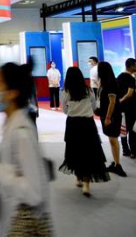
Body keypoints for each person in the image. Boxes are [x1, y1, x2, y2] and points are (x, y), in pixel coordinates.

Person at [0, 63, 53, 237]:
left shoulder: (21, 132)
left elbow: (33, 192)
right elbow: (17, 168)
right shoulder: (11, 124)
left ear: (13, 92)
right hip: (8, 217)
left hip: (20, 224)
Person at [59, 67, 110, 197]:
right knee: (89, 153)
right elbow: (94, 106)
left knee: (74, 151)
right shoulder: (88, 90)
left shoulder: (66, 91)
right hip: (88, 124)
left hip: (73, 124)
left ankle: (78, 178)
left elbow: (64, 109)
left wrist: (73, 111)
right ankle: (86, 185)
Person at [98, 61, 127, 177]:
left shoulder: (110, 84)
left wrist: (108, 117)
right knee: (112, 140)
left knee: (113, 140)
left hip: (112, 116)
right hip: (109, 114)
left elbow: (112, 102)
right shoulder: (106, 83)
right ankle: (116, 163)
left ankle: (117, 165)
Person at [117, 58, 136, 159]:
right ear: (132, 66)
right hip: (130, 107)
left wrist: (119, 101)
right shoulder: (131, 79)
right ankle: (133, 151)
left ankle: (125, 149)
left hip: (121, 108)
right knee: (132, 129)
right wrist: (122, 100)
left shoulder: (119, 77)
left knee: (123, 129)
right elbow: (129, 94)